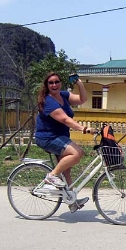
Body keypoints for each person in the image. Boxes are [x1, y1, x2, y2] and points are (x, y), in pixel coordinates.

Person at [35, 72, 96, 212]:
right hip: (48, 137)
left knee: (66, 169)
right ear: (47, 85)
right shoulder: (48, 101)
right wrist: (84, 129)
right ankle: (51, 176)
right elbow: (65, 120)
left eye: (57, 82)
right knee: (77, 153)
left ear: (61, 83)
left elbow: (82, 99)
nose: (54, 85)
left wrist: (79, 83)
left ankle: (71, 200)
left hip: (60, 136)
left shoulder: (63, 95)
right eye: (51, 83)